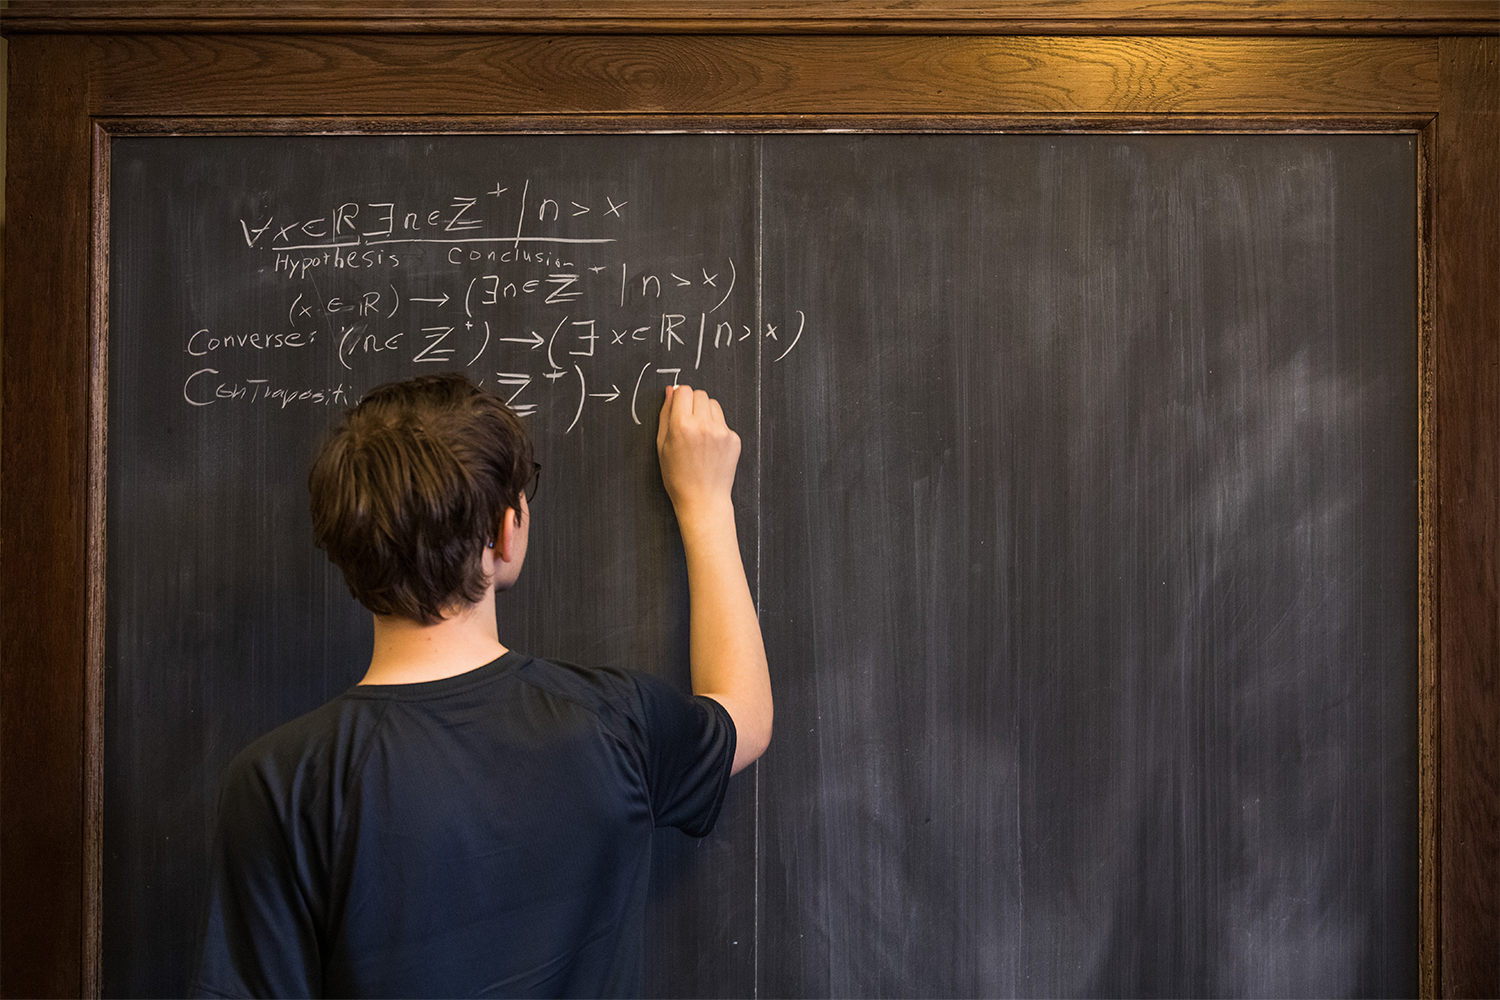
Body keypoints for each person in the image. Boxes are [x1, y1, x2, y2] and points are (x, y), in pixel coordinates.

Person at [191, 373, 771, 998]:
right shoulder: (615, 724)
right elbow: (744, 714)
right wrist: (706, 503)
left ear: (345, 547)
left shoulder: (281, 782)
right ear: (504, 531)